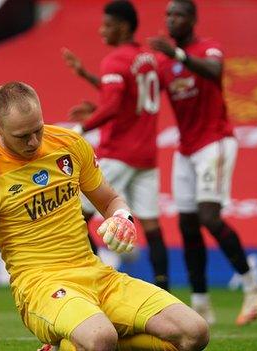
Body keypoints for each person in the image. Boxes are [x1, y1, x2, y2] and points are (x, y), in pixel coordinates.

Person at [0, 81, 208, 351]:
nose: (33, 142)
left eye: (38, 130)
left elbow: (110, 200)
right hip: (41, 286)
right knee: (101, 339)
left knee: (194, 333)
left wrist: (123, 218)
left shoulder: (69, 144)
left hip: (96, 274)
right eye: (22, 136)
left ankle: (67, 346)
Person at [148, 0, 257, 326]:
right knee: (187, 224)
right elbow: (143, 96)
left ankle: (253, 287)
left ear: (192, 20)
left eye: (179, 15)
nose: (172, 20)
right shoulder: (163, 64)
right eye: (168, 15)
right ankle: (201, 304)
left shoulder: (208, 49)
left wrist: (180, 56)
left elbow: (215, 71)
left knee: (209, 218)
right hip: (186, 149)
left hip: (214, 142)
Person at [62, 0, 170, 291]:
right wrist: (86, 76)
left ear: (122, 27)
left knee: (77, 217)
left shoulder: (115, 59)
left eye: (107, 25)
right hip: (147, 155)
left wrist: (80, 128)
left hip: (119, 152)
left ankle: (99, 281)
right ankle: (166, 291)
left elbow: (111, 106)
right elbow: (127, 96)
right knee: (152, 226)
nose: (101, 30)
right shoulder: (149, 59)